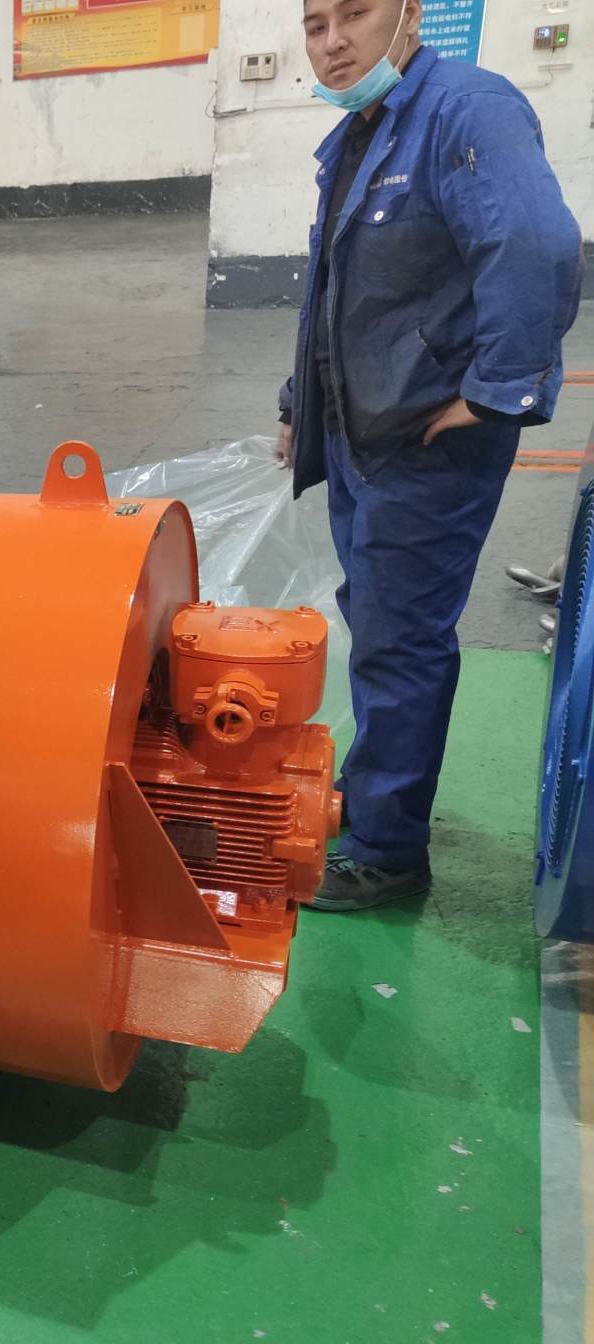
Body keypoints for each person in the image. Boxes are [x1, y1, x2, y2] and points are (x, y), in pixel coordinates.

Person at [276, 0, 582, 911]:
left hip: (425, 444)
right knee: (377, 622)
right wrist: (300, 403)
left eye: (355, 14)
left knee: (400, 641)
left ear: (409, 14)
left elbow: (536, 246)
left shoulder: (466, 110)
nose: (334, 41)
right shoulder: (364, 133)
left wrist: (494, 393)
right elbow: (333, 287)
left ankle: (386, 853)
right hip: (364, 429)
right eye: (315, 24)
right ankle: (380, 800)